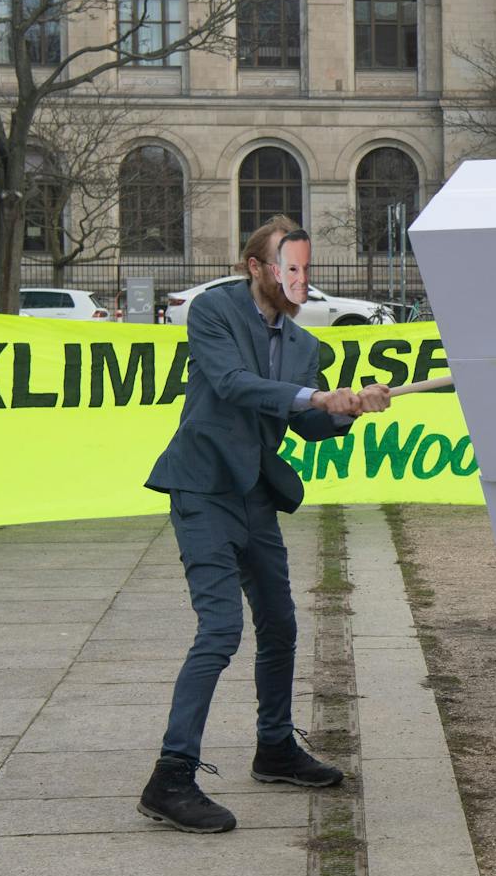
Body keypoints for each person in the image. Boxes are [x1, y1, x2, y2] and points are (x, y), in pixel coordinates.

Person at [138, 217, 391, 833]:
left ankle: (274, 747)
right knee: (221, 629)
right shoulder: (213, 312)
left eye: (306, 268)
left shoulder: (306, 347)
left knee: (279, 623)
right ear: (257, 267)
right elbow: (232, 385)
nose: (300, 279)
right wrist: (313, 399)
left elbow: (308, 423)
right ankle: (171, 778)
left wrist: (352, 407)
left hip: (256, 496)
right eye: (289, 267)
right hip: (201, 489)